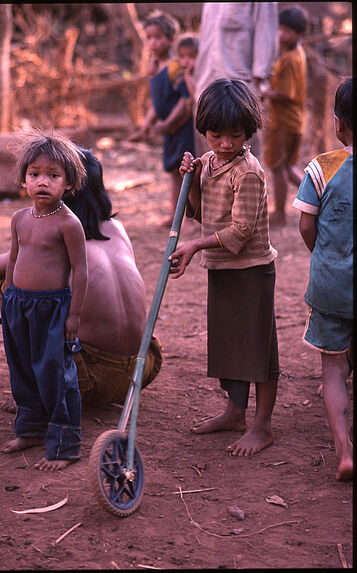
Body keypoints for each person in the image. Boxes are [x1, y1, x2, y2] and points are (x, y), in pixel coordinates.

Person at [0, 148, 163, 414]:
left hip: (87, 383)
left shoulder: (56, 238)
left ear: (67, 186)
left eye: (53, 175)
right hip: (142, 370)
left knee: (9, 287)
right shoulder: (116, 229)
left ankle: (36, 391)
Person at [169, 79, 279, 456]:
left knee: (258, 349)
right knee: (231, 344)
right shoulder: (211, 164)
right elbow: (201, 214)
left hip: (250, 270)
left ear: (249, 131)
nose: (226, 144)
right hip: (224, 267)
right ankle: (235, 413)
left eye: (234, 136)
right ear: (203, 132)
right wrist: (191, 181)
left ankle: (262, 426)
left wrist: (196, 246)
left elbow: (242, 229)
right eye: (216, 136)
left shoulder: (246, 172)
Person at [0, 129, 88, 472]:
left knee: (55, 374)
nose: (42, 182)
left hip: (53, 308)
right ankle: (32, 429)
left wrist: (74, 316)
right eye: (35, 174)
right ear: (24, 179)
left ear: (68, 182)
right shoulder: (20, 218)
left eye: (53, 176)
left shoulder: (69, 224)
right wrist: (7, 297)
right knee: (21, 367)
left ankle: (65, 445)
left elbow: (80, 272)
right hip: (18, 305)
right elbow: (12, 258)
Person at [292, 77, 353, 481]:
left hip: (331, 286)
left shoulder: (322, 167)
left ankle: (345, 450)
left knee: (331, 371)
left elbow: (305, 225)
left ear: (337, 123)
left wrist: (325, 257)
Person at [128, 12, 195, 226]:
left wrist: (168, 123)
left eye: (158, 38)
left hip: (182, 128)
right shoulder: (155, 68)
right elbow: (157, 104)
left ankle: (194, 217)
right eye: (149, 38)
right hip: (170, 132)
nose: (152, 43)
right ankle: (175, 217)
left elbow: (185, 101)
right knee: (174, 172)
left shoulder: (175, 67)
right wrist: (145, 127)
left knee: (188, 173)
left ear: (171, 40)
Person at [193, 2, 278, 159]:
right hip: (206, 80)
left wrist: (259, 78)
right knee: (208, 153)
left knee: (245, 154)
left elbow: (266, 31)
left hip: (239, 83)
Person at [263, 5, 309, 226]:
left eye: (287, 31)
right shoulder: (296, 54)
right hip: (294, 121)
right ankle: (319, 200)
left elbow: (285, 94)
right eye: (280, 29)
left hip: (284, 121)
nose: (281, 35)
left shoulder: (290, 59)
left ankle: (280, 213)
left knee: (278, 166)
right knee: (287, 167)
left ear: (299, 34)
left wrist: (264, 91)